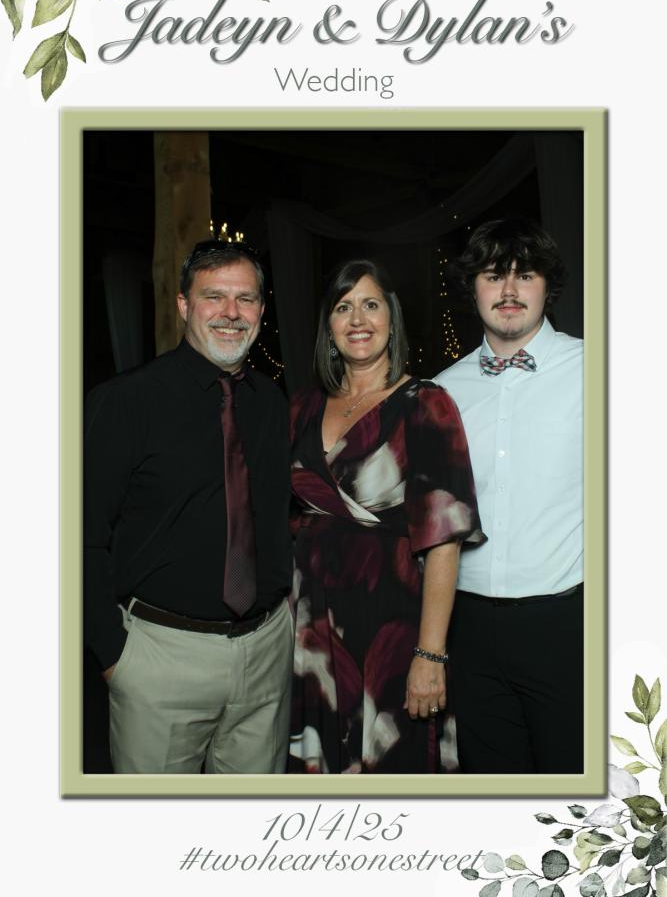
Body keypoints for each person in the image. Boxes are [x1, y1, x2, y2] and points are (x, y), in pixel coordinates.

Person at [84, 238, 294, 774]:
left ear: (261, 310)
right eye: (213, 296)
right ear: (183, 304)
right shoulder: (124, 402)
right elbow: (79, 535)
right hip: (160, 659)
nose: (231, 312)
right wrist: (112, 654)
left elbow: (272, 517)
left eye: (246, 299)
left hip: (267, 655)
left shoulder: (272, 402)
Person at [288, 259, 484, 774]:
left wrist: (430, 654)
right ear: (329, 327)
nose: (358, 319)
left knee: (394, 771)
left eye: (370, 305)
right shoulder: (302, 407)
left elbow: (444, 540)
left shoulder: (426, 404)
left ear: (391, 319)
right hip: (309, 633)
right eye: (343, 307)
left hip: (391, 627)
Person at [434, 217, 583, 774]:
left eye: (525, 275)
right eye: (494, 276)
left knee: (578, 791)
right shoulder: (443, 390)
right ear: (473, 288)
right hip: (468, 627)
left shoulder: (597, 370)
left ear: (548, 286)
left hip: (566, 622)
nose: (510, 290)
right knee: (493, 791)